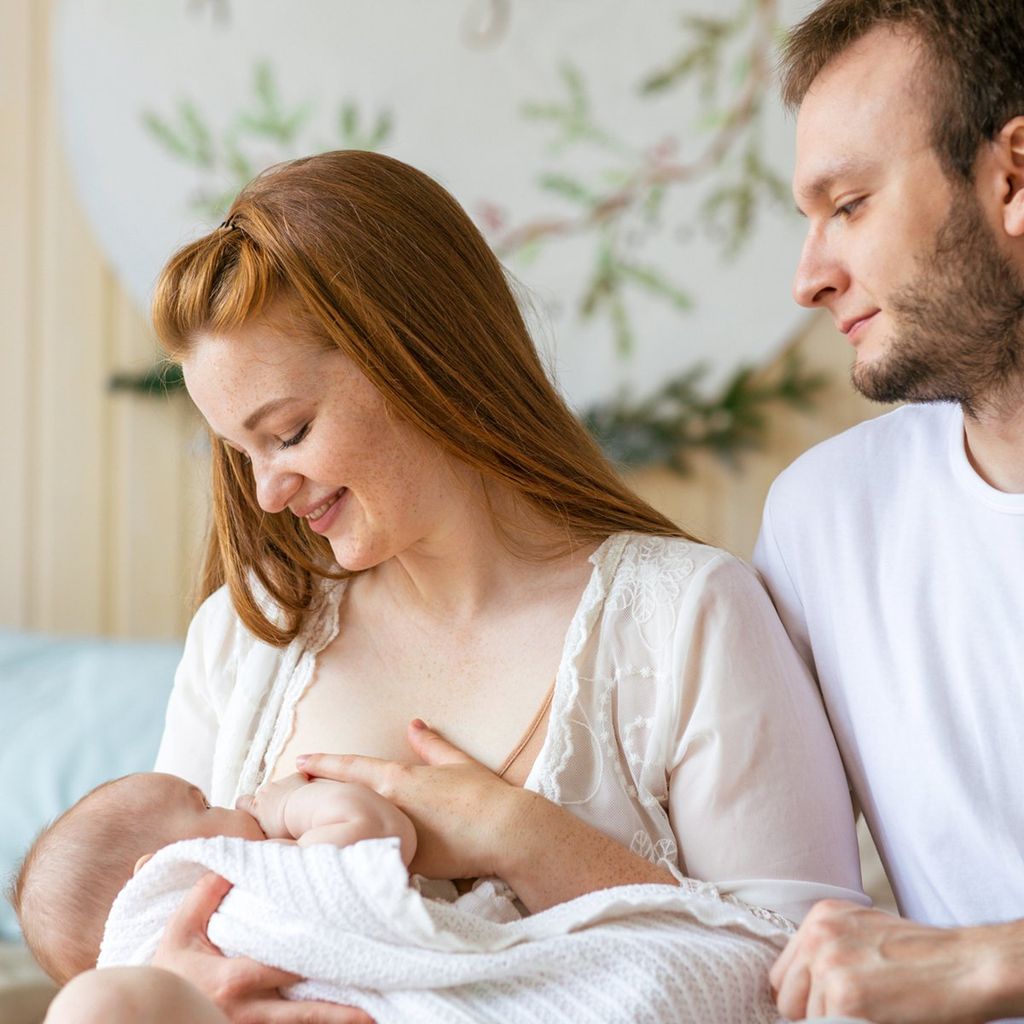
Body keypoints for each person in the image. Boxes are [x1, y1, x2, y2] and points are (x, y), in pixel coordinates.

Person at [47, 150, 865, 1023]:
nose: (267, 493)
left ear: (419, 355)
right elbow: (153, 924)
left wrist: (519, 838)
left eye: (289, 432)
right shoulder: (250, 636)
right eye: (240, 452)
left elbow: (815, 979)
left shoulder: (686, 617)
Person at [752, 2, 1024, 1021]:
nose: (808, 277)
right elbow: (730, 878)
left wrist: (987, 960)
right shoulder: (823, 520)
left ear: (1012, 177)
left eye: (850, 203)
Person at [13, 771, 417, 984]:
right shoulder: (246, 895)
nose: (234, 801)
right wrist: (289, 805)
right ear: (164, 872)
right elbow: (379, 831)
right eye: (205, 805)